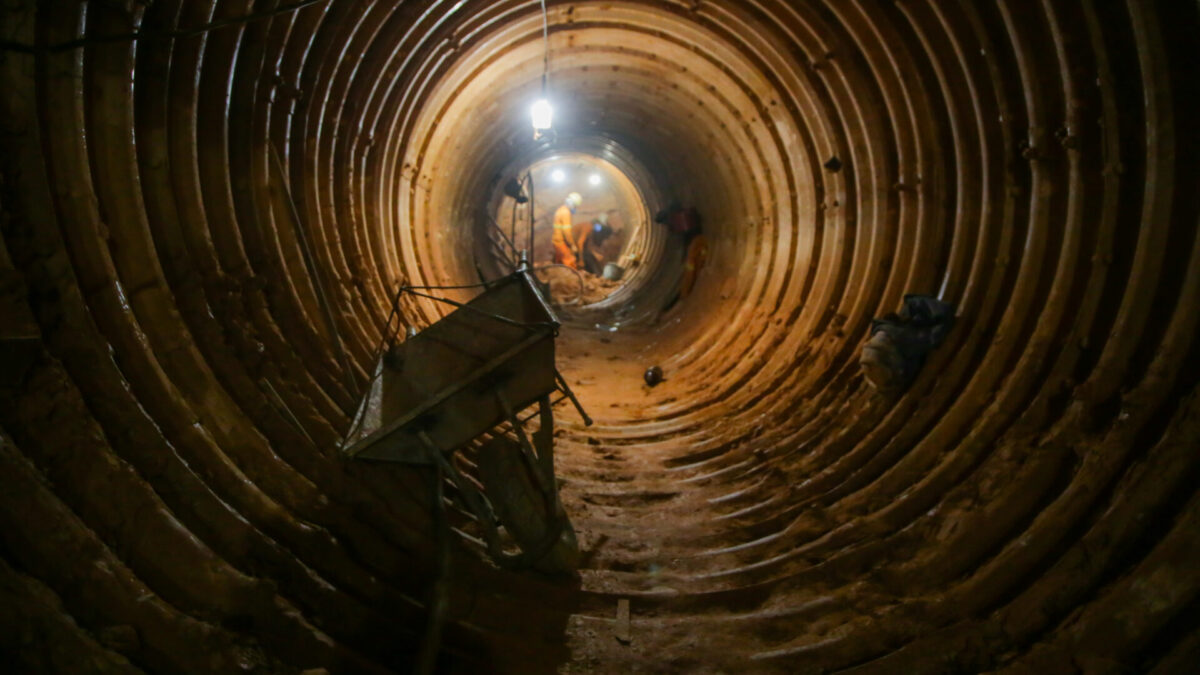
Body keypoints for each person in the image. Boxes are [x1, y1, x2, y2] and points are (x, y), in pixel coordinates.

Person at [552, 193, 583, 268]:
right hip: (561, 242)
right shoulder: (566, 213)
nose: (575, 208)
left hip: (556, 241)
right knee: (570, 263)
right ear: (572, 204)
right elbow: (567, 232)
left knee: (559, 263)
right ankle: (573, 279)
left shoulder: (560, 209)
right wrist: (572, 245)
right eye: (575, 206)